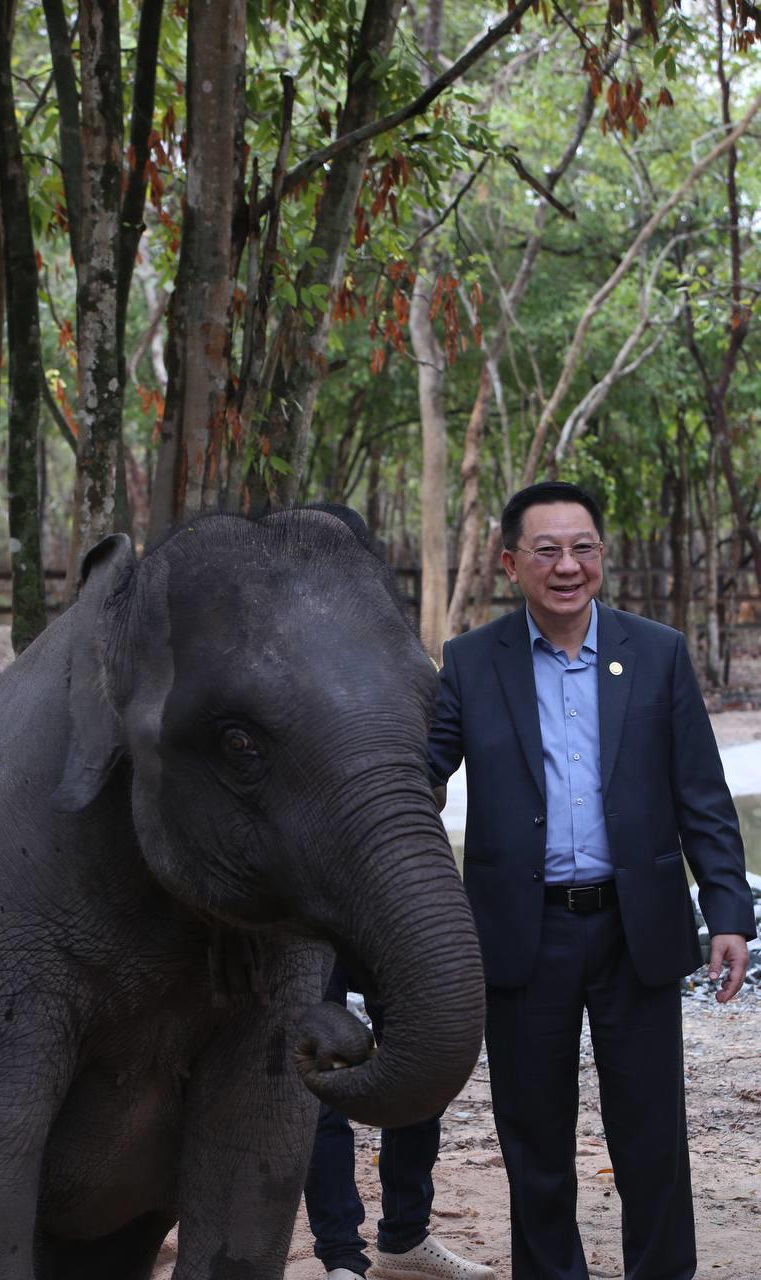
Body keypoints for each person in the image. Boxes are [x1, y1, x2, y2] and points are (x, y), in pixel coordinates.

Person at [427, 480, 755, 1280]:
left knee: (649, 1132)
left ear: (600, 555)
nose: (566, 566)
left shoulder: (656, 652)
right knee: (533, 1137)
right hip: (522, 930)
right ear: (510, 563)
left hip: (632, 926)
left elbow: (701, 795)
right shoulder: (471, 662)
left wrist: (727, 911)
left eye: (581, 548)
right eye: (546, 550)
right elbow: (417, 775)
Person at [304, 959, 494, 1280]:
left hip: (392, 930)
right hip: (314, 934)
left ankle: (405, 1238)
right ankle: (341, 1255)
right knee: (323, 1080)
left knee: (418, 1067)